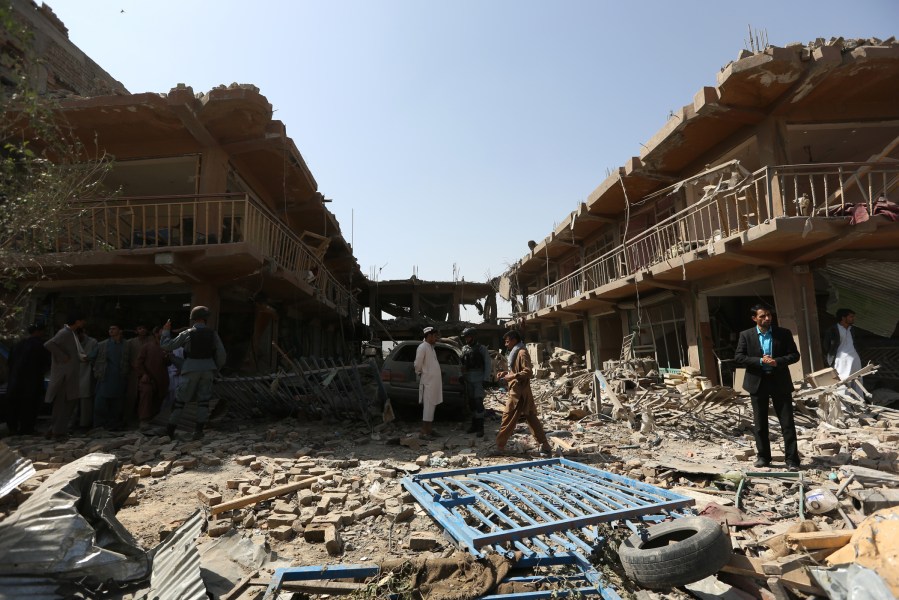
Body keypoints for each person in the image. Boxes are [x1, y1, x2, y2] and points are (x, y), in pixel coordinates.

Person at [734, 304, 802, 471]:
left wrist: (776, 362)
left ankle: (792, 460)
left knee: (787, 423)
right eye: (763, 316)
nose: (767, 318)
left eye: (769, 315)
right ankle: (763, 457)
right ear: (754, 318)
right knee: (760, 424)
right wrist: (759, 361)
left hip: (780, 381)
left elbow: (794, 355)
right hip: (758, 382)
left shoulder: (783, 333)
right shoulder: (746, 335)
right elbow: (739, 357)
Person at [160, 306, 226, 440]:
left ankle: (170, 431)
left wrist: (166, 332)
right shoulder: (213, 334)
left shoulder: (187, 333)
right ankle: (199, 431)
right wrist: (214, 368)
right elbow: (222, 355)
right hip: (208, 369)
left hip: (190, 369)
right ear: (205, 319)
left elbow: (167, 346)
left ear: (193, 319)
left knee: (180, 401)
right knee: (203, 401)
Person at [495, 330, 551, 455]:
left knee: (507, 418)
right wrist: (506, 374)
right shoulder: (516, 352)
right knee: (531, 418)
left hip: (518, 393)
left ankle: (499, 446)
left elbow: (528, 372)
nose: (506, 344)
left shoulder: (522, 352)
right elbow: (516, 370)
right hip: (520, 391)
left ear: (514, 340)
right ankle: (545, 445)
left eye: (507, 341)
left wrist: (513, 376)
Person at [44, 311, 88, 439]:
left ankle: (54, 430)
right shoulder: (64, 333)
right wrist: (64, 357)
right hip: (64, 375)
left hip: (70, 374)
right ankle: (57, 432)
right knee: (64, 403)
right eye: (82, 320)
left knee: (67, 403)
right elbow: (49, 344)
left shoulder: (71, 333)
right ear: (77, 321)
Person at [3, 322, 51, 435]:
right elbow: (46, 363)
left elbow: (10, 362)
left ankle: (13, 428)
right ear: (40, 332)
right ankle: (27, 428)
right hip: (32, 382)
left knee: (14, 405)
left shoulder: (18, 345)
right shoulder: (41, 345)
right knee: (30, 405)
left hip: (15, 381)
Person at [92, 324, 130, 429]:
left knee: (117, 405)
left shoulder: (126, 345)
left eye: (114, 329)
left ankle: (113, 424)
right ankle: (99, 425)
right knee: (100, 404)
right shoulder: (102, 345)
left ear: (120, 331)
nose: (111, 330)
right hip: (105, 377)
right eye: (110, 329)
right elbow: (92, 357)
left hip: (119, 378)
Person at [135, 326, 169, 431]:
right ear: (156, 333)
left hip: (161, 378)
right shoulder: (147, 347)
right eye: (162, 330)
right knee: (146, 396)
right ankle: (144, 420)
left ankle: (155, 420)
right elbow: (138, 363)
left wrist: (168, 358)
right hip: (148, 379)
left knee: (159, 399)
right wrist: (144, 374)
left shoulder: (166, 347)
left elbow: (169, 363)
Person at [460, 327, 491, 437]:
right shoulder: (464, 349)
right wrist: (461, 376)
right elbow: (462, 365)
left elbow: (488, 364)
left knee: (478, 403)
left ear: (473, 337)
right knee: (472, 403)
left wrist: (486, 379)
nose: (466, 339)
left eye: (468, 337)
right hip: (468, 378)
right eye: (465, 337)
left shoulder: (481, 349)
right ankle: (474, 425)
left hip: (479, 378)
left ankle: (480, 427)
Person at [413, 326, 443, 439]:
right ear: (429, 336)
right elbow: (417, 364)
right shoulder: (423, 347)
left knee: (432, 406)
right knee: (428, 407)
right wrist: (420, 372)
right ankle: (424, 432)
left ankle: (429, 430)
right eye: (434, 336)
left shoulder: (431, 347)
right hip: (428, 382)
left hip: (433, 383)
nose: (436, 338)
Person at [823, 308, 864, 387]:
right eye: (851, 317)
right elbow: (826, 346)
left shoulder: (852, 330)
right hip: (840, 360)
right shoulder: (833, 330)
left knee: (857, 381)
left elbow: (858, 343)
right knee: (843, 381)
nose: (853, 319)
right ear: (843, 318)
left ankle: (858, 399)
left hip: (855, 359)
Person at [124, 323, 151, 429]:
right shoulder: (130, 342)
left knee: (145, 396)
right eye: (140, 328)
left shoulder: (151, 341)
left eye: (144, 328)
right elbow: (127, 357)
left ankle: (144, 419)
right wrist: (135, 367)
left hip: (148, 372)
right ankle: (128, 419)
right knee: (131, 396)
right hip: (133, 372)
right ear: (136, 331)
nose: (142, 330)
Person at [74, 328, 98, 432]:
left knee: (86, 401)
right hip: (74, 373)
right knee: (73, 401)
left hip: (87, 372)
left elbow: (93, 357)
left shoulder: (93, 342)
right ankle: (72, 422)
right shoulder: (72, 342)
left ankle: (85, 424)